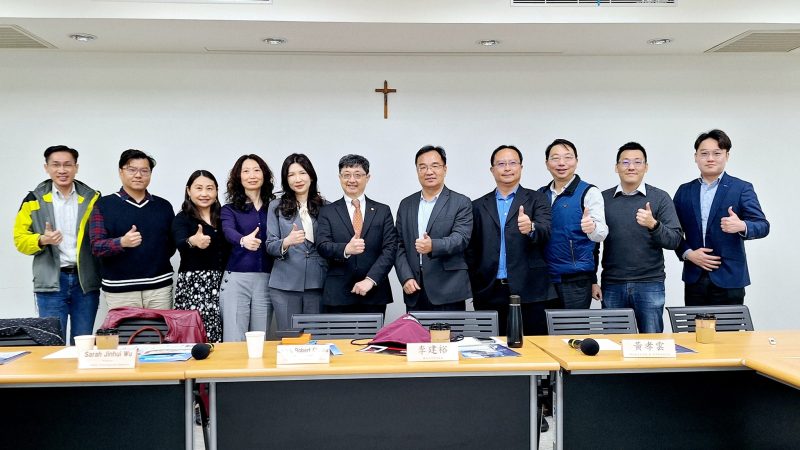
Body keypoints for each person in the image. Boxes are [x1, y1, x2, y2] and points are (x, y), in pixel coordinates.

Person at [13, 145, 101, 344]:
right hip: (51, 281)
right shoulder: (33, 199)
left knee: (83, 342)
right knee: (52, 343)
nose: (62, 170)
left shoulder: (92, 198)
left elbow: (102, 236)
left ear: (76, 167)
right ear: (46, 168)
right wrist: (42, 240)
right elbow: (19, 240)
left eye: (67, 165)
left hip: (85, 280)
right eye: (56, 165)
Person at [467, 145, 557, 336]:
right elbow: (472, 249)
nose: (507, 168)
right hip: (489, 291)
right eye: (501, 164)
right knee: (491, 347)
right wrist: (476, 283)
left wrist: (531, 227)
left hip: (531, 290)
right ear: (492, 170)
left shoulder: (538, 199)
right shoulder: (477, 206)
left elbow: (546, 231)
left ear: (521, 167)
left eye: (512, 163)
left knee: (533, 347)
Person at [673, 129, 770, 306]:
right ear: (696, 157)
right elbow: (672, 232)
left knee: (729, 326)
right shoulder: (684, 191)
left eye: (717, 153)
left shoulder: (741, 188)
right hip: (695, 277)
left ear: (727, 156)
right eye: (704, 153)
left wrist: (742, 226)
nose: (710, 158)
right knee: (696, 325)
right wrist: (688, 254)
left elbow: (763, 225)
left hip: (730, 278)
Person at [598, 142, 682, 333]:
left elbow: (675, 240)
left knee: (651, 343)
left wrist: (654, 225)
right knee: (614, 344)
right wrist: (592, 279)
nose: (631, 167)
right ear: (616, 167)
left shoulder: (660, 197)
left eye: (637, 162)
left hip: (650, 283)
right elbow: (592, 243)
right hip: (613, 283)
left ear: (646, 167)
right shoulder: (603, 199)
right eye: (625, 162)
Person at [90, 149, 175, 311]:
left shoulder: (163, 206)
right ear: (120, 172)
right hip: (120, 290)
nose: (138, 175)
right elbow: (96, 247)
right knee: (126, 329)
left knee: (161, 328)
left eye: (144, 171)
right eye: (132, 170)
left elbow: (170, 246)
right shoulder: (104, 205)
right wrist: (121, 242)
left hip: (159, 288)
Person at [316, 154, 397, 314]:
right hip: (338, 293)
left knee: (372, 332)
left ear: (367, 177)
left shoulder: (382, 211)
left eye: (357, 175)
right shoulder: (327, 211)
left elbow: (390, 249)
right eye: (346, 175)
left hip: (373, 291)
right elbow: (322, 245)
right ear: (340, 177)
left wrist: (370, 280)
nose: (351, 180)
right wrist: (345, 249)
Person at [395, 146, 473, 311]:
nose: (429, 171)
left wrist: (433, 246)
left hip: (448, 288)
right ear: (417, 171)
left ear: (445, 169)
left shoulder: (461, 202)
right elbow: (398, 245)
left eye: (435, 166)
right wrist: (406, 277)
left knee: (449, 330)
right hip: (414, 287)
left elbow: (461, 238)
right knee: (414, 330)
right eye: (422, 167)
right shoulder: (406, 204)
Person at [538, 139, 608, 309]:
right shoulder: (540, 194)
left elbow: (600, 234)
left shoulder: (589, 192)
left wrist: (592, 228)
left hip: (576, 280)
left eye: (568, 157)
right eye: (555, 158)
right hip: (545, 278)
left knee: (573, 326)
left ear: (576, 161)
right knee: (544, 326)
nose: (561, 163)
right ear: (547, 163)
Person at [266, 154, 328, 331]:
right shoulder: (276, 206)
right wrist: (286, 242)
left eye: (302, 173)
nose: (298, 179)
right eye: (291, 175)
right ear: (286, 180)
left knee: (315, 340)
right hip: (284, 284)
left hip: (318, 282)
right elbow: (270, 245)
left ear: (311, 176)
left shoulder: (326, 206)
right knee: (289, 339)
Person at [219, 154, 275, 342]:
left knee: (260, 340)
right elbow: (228, 231)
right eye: (246, 171)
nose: (252, 175)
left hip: (266, 280)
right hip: (237, 279)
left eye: (256, 170)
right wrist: (243, 240)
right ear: (238, 177)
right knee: (234, 339)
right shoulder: (229, 209)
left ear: (264, 175)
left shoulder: (274, 208)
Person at [171, 170, 228, 343]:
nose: (204, 193)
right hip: (195, 286)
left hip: (225, 283)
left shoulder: (224, 217)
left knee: (227, 334)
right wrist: (192, 241)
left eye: (209, 188)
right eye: (199, 188)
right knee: (198, 337)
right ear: (189, 190)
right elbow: (179, 242)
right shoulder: (182, 218)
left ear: (216, 191)